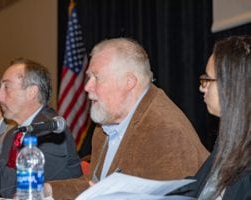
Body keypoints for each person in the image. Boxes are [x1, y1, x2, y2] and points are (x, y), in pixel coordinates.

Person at [47, 38, 209, 199]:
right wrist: (47, 190)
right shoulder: (105, 127)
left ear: (129, 82)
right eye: (89, 77)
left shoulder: (165, 130)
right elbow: (94, 186)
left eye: (97, 77)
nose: (87, 86)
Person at [0, 58, 82, 198]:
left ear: (31, 92)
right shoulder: (14, 133)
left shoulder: (50, 130)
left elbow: (19, 189)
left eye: (6, 87)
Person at [170, 36, 251, 199]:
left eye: (207, 79)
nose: (202, 88)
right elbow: (197, 187)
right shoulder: (230, 138)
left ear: (231, 85)